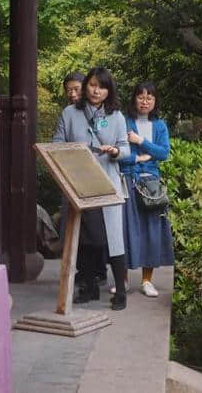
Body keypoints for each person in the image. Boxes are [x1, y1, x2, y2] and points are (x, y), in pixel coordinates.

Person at [52, 67, 130, 311]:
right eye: (93, 85)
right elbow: (56, 142)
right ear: (86, 85)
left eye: (102, 87)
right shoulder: (69, 112)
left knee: (114, 239)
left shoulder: (116, 116)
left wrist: (115, 151)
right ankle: (89, 286)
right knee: (83, 237)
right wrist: (73, 151)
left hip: (106, 181)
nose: (97, 90)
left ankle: (120, 291)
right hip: (79, 183)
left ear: (109, 91)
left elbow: (125, 148)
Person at [119, 82, 174, 297]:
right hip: (128, 182)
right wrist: (141, 157)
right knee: (125, 231)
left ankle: (147, 281)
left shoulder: (159, 125)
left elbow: (163, 153)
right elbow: (121, 155)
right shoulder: (124, 122)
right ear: (134, 99)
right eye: (141, 97)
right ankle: (121, 280)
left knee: (151, 231)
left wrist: (140, 140)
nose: (144, 101)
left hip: (151, 185)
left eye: (149, 97)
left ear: (155, 101)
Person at [62, 72, 108, 287]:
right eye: (69, 90)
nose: (73, 94)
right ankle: (85, 274)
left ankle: (99, 271)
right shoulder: (68, 113)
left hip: (100, 178)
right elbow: (58, 142)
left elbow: (111, 141)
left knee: (97, 233)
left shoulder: (106, 112)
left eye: (77, 89)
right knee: (77, 231)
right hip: (74, 178)